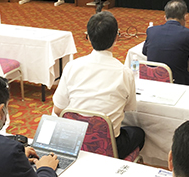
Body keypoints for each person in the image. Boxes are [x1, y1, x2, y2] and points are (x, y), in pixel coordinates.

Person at [53, 11, 145, 159]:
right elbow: (129, 108)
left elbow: (58, 110)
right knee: (138, 133)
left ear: (88, 37)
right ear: (117, 37)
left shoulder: (72, 66)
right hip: (109, 146)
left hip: (74, 141)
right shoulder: (125, 73)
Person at [142, 0, 189, 88]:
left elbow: (145, 52)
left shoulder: (151, 31)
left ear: (165, 17)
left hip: (153, 80)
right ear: (185, 17)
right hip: (177, 83)